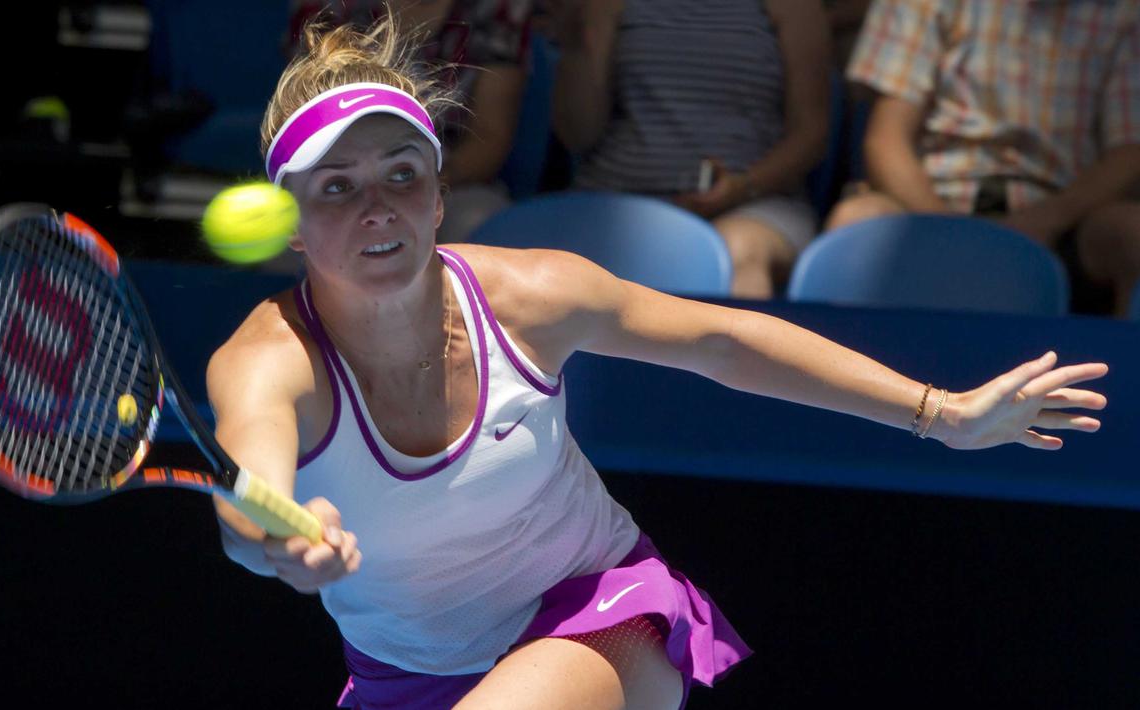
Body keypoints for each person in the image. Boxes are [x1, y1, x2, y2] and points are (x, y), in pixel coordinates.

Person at [207, 13, 1109, 710]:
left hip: (598, 613)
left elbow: (723, 342)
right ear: (287, 222)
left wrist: (938, 413)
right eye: (336, 186)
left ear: (441, 195)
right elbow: (248, 496)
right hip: (400, 675)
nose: (377, 205)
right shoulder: (266, 361)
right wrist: (280, 540)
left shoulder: (532, 296)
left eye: (402, 172)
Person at [825, 0, 1140, 317]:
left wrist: (1046, 219)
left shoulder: (1126, 13)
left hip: (1062, 219)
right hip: (931, 203)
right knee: (854, 220)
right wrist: (953, 232)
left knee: (1133, 230)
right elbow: (885, 140)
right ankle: (836, 365)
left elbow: (1128, 153)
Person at [550, 0, 833, 299]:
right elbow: (577, 135)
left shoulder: (792, 7)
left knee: (736, 251)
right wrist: (577, 46)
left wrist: (742, 187)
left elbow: (811, 135)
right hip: (617, 200)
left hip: (752, 202)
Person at [286, 0, 534, 244]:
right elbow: (304, 122)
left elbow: (490, 137)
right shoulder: (329, 9)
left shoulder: (497, 10)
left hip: (454, 183)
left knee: (478, 220)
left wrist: (416, 185)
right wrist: (348, 189)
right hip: (338, 183)